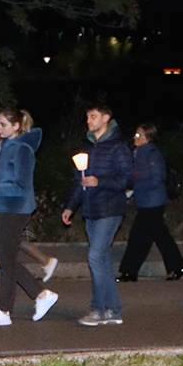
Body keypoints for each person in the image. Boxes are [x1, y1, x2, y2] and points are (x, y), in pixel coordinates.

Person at [0, 107, 58, 326]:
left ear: (16, 126)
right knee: (6, 258)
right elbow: (5, 183)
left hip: (16, 208)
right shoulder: (6, 146)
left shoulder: (22, 149)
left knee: (5, 258)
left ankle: (5, 310)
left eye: (3, 124)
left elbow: (20, 187)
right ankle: (39, 295)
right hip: (5, 207)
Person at [62, 104, 133, 326]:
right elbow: (79, 181)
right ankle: (113, 310)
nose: (89, 120)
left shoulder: (118, 147)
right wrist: (70, 206)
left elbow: (127, 179)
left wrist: (100, 181)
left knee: (94, 256)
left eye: (93, 116)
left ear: (106, 118)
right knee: (101, 260)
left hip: (110, 208)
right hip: (90, 210)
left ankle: (98, 309)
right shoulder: (86, 147)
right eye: (87, 117)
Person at [117, 122, 183, 282]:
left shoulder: (152, 154)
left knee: (138, 236)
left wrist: (134, 188)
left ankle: (129, 272)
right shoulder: (138, 153)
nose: (135, 137)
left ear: (148, 137)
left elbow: (157, 179)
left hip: (153, 202)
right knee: (161, 236)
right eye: (135, 134)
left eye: (139, 135)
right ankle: (178, 267)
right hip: (145, 201)